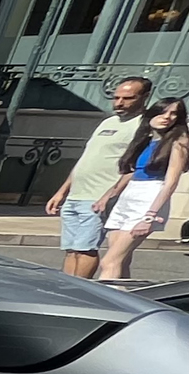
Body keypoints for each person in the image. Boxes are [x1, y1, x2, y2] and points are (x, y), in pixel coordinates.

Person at [43, 75, 150, 277]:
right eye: (116, 97)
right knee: (72, 248)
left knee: (85, 248)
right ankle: (67, 289)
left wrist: (109, 195)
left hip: (99, 196)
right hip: (76, 194)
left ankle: (81, 293)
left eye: (128, 98)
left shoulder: (144, 126)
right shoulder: (108, 122)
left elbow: (135, 166)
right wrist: (62, 191)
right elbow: (86, 159)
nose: (119, 103)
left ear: (145, 97)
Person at [95, 95, 184, 282]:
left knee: (109, 262)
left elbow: (171, 182)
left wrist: (150, 215)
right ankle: (125, 301)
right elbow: (131, 173)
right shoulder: (145, 140)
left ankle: (107, 305)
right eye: (163, 112)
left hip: (150, 197)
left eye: (174, 114)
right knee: (121, 259)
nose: (167, 117)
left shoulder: (178, 142)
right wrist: (109, 195)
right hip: (129, 196)